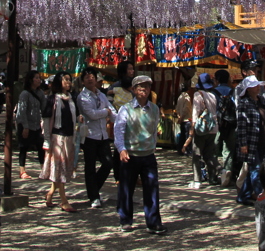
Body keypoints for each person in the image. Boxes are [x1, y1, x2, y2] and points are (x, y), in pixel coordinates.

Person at [114, 74, 167, 235]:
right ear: (134, 89)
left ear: (150, 89)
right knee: (126, 188)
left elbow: (154, 130)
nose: (143, 89)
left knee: (151, 188)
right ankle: (125, 219)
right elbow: (119, 130)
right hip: (130, 154)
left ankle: (153, 222)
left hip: (148, 155)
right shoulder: (126, 109)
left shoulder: (155, 109)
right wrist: (121, 149)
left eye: (146, 86)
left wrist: (152, 145)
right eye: (139, 86)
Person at [77, 66, 114, 207]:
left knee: (108, 163)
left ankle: (93, 189)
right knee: (90, 166)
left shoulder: (101, 95)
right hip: (90, 135)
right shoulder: (82, 97)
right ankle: (94, 197)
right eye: (87, 77)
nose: (90, 79)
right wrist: (105, 112)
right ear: (83, 81)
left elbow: (111, 109)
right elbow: (91, 114)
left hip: (103, 135)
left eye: (92, 76)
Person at [40, 72, 78, 212]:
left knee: (62, 168)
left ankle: (49, 195)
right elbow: (46, 119)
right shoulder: (52, 99)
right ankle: (64, 200)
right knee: (59, 167)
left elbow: (75, 116)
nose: (68, 82)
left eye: (69, 80)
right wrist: (47, 140)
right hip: (57, 137)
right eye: (65, 80)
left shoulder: (72, 98)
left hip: (69, 137)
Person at [236, 74, 265, 207]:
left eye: (258, 85)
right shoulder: (244, 104)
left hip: (263, 140)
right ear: (248, 89)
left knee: (256, 168)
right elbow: (241, 125)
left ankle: (243, 195)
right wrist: (243, 143)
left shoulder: (262, 101)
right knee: (256, 169)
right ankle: (261, 196)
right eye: (254, 86)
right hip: (251, 141)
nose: (257, 88)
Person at [187, 72, 220, 188]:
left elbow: (195, 113)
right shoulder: (213, 95)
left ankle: (197, 181)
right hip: (213, 127)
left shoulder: (197, 94)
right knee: (209, 154)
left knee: (196, 154)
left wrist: (192, 129)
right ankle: (216, 174)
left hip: (201, 128)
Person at [15, 70, 45, 180]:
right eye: (36, 78)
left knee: (41, 147)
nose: (38, 80)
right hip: (26, 124)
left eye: (39, 78)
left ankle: (43, 169)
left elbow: (44, 108)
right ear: (31, 80)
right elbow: (22, 111)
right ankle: (22, 170)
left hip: (37, 125)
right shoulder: (25, 94)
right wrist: (25, 127)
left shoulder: (40, 93)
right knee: (24, 147)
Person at [215, 69, 238, 186]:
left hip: (216, 124)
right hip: (231, 124)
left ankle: (215, 173)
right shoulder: (233, 91)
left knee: (213, 149)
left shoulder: (213, 92)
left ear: (217, 79)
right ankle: (228, 172)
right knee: (228, 150)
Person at [175, 81, 194, 156]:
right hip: (186, 119)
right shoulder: (186, 97)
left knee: (182, 135)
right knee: (187, 136)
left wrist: (179, 117)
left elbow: (177, 109)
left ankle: (180, 150)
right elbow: (186, 109)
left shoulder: (180, 97)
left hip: (182, 119)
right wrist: (182, 117)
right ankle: (186, 150)